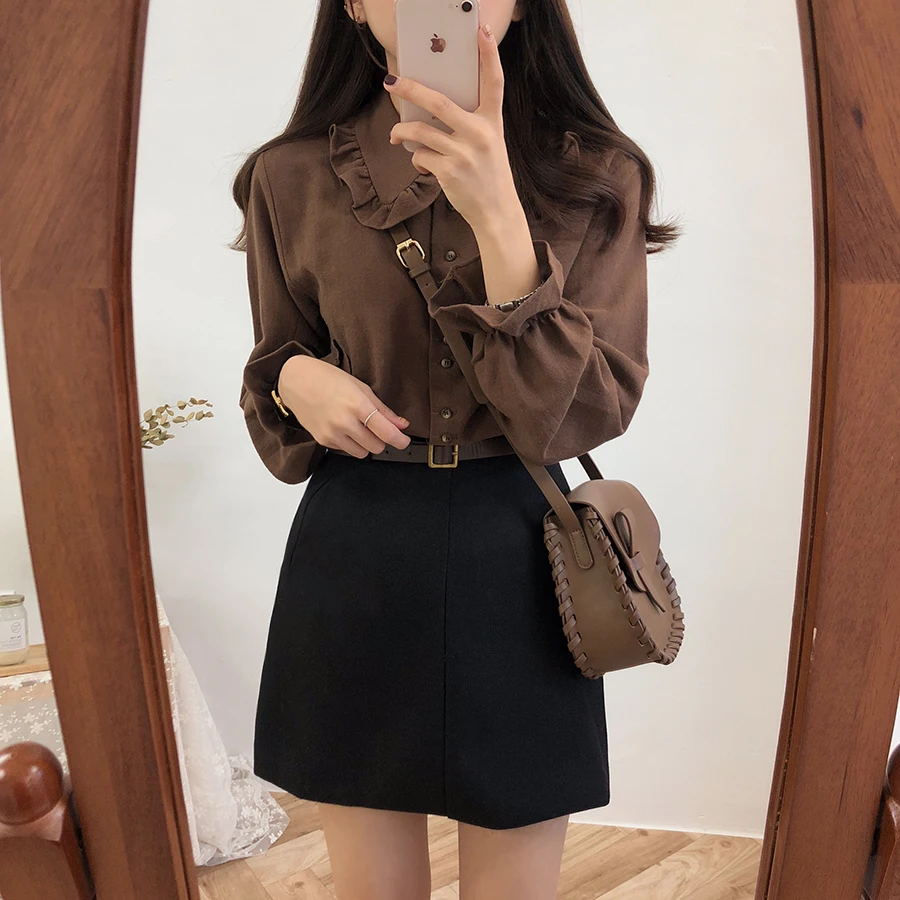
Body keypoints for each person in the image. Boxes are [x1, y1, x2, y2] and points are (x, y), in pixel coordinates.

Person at [232, 2, 679, 898]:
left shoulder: (600, 174)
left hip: (524, 556)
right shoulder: (290, 174)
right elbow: (276, 360)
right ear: (355, 2)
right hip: (355, 551)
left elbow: (587, 412)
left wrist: (500, 216)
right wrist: (293, 380)